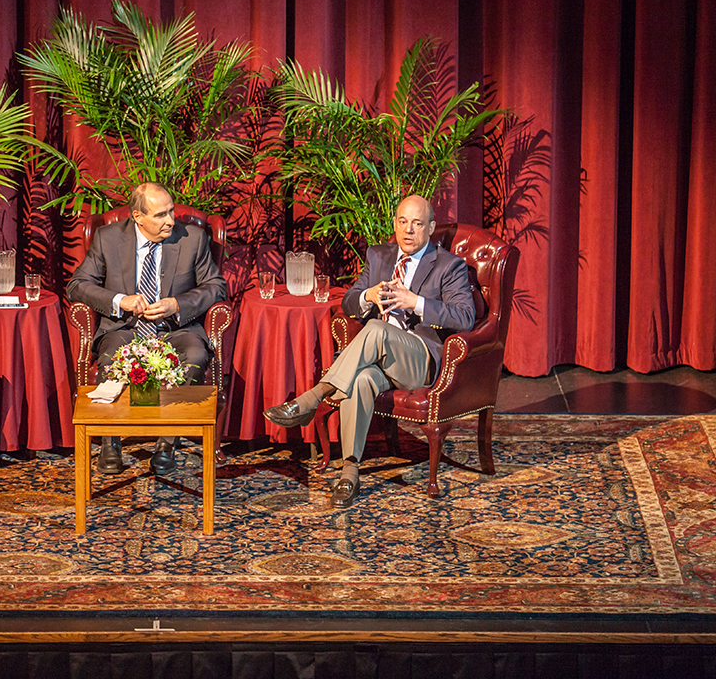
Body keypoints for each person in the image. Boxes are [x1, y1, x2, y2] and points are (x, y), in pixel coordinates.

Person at [263, 195, 475, 508]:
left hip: (419, 359)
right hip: (376, 358)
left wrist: (414, 302)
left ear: (430, 228)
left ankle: (313, 397)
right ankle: (350, 472)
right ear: (395, 224)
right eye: (403, 222)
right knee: (361, 379)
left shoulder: (449, 265)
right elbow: (349, 302)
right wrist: (368, 296)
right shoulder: (379, 256)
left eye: (417, 223)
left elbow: (465, 317)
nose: (408, 230)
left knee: (374, 330)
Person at [66, 182, 228, 476]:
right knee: (111, 357)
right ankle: (110, 443)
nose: (170, 221)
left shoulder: (193, 239)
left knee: (193, 355)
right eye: (161, 215)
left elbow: (217, 287)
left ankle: (167, 444)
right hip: (124, 327)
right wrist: (120, 300)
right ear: (138, 217)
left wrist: (176, 304)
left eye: (171, 212)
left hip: (176, 329)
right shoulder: (107, 238)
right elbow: (77, 286)